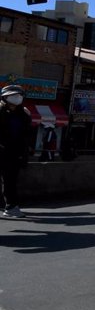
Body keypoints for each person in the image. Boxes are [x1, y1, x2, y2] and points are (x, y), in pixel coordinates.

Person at [0, 85, 32, 218]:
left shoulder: (23, 113)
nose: (17, 98)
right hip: (2, 151)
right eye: (13, 95)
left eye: (19, 95)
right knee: (8, 180)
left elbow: (26, 134)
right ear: (5, 97)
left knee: (10, 180)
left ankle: (10, 206)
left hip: (15, 153)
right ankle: (10, 206)